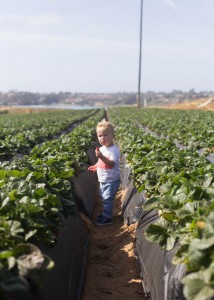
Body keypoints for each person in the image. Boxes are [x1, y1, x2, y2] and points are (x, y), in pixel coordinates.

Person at [88, 120, 120, 226]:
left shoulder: (113, 150)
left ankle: (107, 218)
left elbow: (111, 164)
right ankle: (105, 214)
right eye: (100, 135)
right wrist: (96, 166)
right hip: (103, 179)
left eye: (106, 135)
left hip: (111, 180)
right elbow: (100, 162)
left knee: (107, 199)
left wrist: (101, 156)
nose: (102, 138)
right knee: (103, 198)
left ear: (112, 135)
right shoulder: (102, 148)